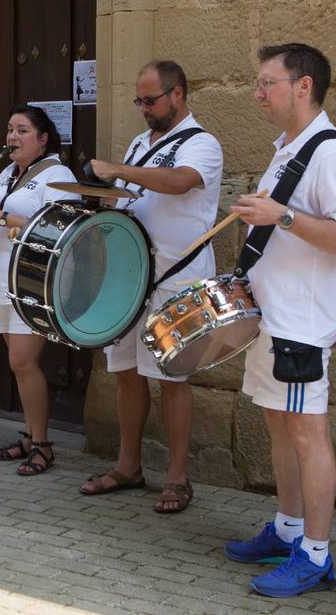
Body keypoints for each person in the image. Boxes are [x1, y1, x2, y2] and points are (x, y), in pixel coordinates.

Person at [225, 44, 336, 598]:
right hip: (272, 317)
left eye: (267, 82)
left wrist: (280, 215)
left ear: (303, 86)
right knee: (279, 425)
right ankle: (287, 529)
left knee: (308, 432)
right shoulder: (288, 149)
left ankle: (316, 554)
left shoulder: (331, 154)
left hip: (301, 325)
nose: (258, 93)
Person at [80, 60, 223, 513]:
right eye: (138, 100)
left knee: (173, 378)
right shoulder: (142, 143)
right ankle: (128, 466)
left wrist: (118, 170)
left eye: (151, 100)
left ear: (177, 93)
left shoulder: (203, 143)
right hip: (131, 273)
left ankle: (178, 479)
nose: (143, 108)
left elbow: (180, 183)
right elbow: (130, 195)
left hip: (176, 276)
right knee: (125, 372)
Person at [0, 106, 78, 474]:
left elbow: (63, 227)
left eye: (22, 130)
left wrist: (1, 217)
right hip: (1, 275)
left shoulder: (58, 175)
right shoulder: (4, 173)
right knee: (17, 363)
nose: (12, 137)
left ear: (43, 138)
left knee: (23, 361)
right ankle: (30, 436)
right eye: (9, 130)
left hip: (35, 279)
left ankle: (43, 444)